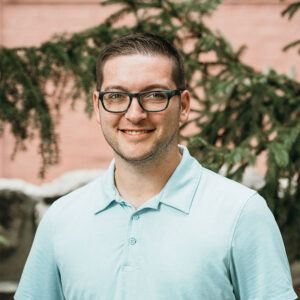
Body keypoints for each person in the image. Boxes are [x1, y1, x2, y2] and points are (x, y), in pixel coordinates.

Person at [15, 33, 297, 300]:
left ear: (183, 106)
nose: (134, 114)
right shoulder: (62, 218)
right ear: (97, 106)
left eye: (154, 96)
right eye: (116, 96)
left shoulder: (241, 213)